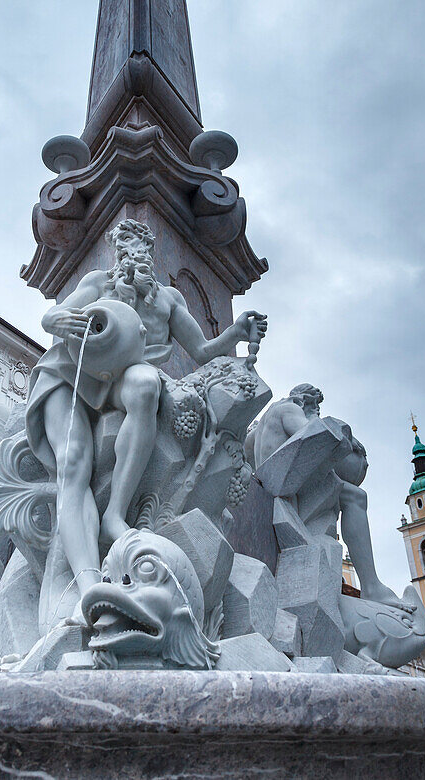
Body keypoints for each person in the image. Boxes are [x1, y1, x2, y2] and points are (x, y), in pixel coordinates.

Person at [25, 218, 265, 601]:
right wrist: (58, 319)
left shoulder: (167, 300)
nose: (133, 256)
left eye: (141, 248)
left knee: (145, 383)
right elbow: (50, 321)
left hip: (121, 379)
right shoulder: (97, 284)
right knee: (72, 463)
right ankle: (87, 582)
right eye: (125, 249)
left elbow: (201, 351)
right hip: (72, 375)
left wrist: (235, 333)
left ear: (151, 255)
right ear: (116, 255)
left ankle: (114, 515)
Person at [254, 384, 413, 611]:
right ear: (304, 400)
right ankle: (372, 587)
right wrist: (345, 439)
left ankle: (372, 586)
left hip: (277, 483)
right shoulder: (289, 408)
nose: (317, 411)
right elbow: (310, 434)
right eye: (315, 406)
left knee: (348, 494)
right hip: (284, 485)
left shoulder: (264, 421)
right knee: (356, 497)